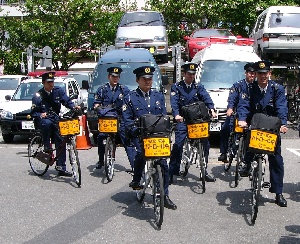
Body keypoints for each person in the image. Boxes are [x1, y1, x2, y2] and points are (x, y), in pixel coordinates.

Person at [123, 66, 177, 210]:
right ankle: (136, 180)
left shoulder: (158, 96)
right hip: (139, 134)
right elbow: (127, 119)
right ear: (137, 80)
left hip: (157, 135)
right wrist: (133, 129)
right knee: (141, 154)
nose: (148, 82)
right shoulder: (130, 97)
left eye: (150, 79)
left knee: (164, 165)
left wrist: (168, 128)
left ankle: (164, 195)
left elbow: (164, 116)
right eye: (144, 79)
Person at [237, 60, 288, 207]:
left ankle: (278, 192)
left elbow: (281, 107)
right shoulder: (250, 88)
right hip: (255, 124)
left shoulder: (277, 88)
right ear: (256, 75)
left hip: (272, 127)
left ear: (269, 74)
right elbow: (244, 105)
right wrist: (242, 119)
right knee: (249, 146)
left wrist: (283, 124)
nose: (263, 76)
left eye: (265, 73)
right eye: (260, 74)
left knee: (276, 159)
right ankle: (246, 164)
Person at [169, 63, 217, 184]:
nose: (191, 76)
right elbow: (174, 103)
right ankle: (171, 171)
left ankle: (204, 171)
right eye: (189, 74)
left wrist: (211, 109)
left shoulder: (198, 86)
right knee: (178, 143)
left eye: (193, 74)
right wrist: (176, 115)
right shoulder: (177, 87)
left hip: (196, 121)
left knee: (205, 143)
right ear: (184, 74)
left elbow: (206, 98)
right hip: (183, 119)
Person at [31, 71, 80, 177]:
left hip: (56, 118)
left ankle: (61, 166)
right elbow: (33, 113)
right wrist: (40, 114)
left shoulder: (58, 91)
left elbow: (66, 101)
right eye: (49, 82)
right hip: (44, 121)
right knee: (46, 123)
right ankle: (46, 146)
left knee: (61, 140)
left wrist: (73, 107)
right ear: (43, 83)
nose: (51, 84)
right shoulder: (38, 96)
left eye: (52, 82)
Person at [93, 67, 136, 170]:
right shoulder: (102, 89)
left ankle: (135, 166)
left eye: (117, 77)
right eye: (113, 76)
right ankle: (101, 160)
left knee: (127, 139)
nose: (115, 78)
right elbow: (96, 103)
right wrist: (97, 107)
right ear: (109, 77)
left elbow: (129, 104)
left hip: (120, 118)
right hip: (107, 119)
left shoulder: (124, 89)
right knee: (100, 137)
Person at [218, 63, 256, 162]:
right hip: (237, 114)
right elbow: (232, 98)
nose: (252, 75)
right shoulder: (238, 85)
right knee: (225, 129)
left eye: (254, 73)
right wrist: (230, 108)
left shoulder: (256, 86)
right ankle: (224, 152)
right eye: (250, 73)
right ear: (245, 73)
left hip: (251, 116)